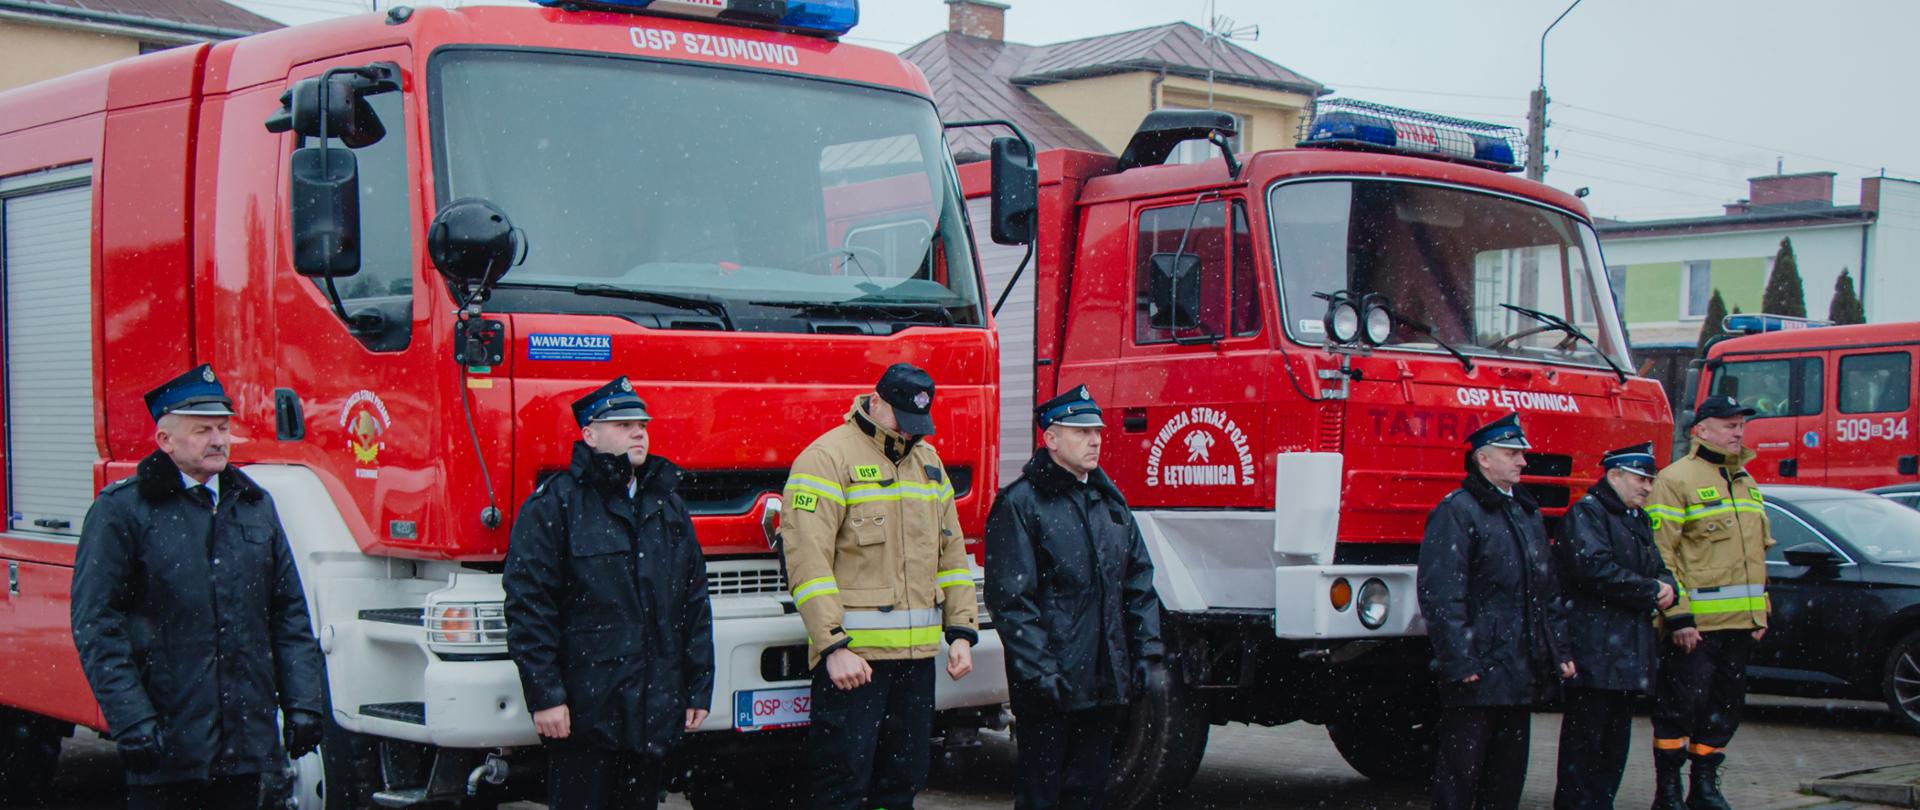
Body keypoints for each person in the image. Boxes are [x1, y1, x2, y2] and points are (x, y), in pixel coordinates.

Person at [70, 364, 326, 809]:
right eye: (202, 429)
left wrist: (304, 703)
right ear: (165, 441)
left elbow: (288, 612)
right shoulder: (124, 511)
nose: (218, 440)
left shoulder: (253, 504)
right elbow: (97, 624)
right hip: (166, 745)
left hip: (246, 747)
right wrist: (132, 720)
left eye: (223, 427)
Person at [503, 376, 715, 810]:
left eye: (641, 423)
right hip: (587, 712)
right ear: (590, 435)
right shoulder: (555, 505)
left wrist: (698, 687)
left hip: (652, 710)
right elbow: (529, 607)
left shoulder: (666, 505)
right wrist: (545, 695)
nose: (638, 431)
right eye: (622, 424)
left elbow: (692, 603)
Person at [781, 363, 979, 810]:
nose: (910, 435)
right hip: (855, 663)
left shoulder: (928, 463)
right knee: (842, 782)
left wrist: (961, 631)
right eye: (902, 421)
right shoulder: (827, 458)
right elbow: (808, 563)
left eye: (918, 425)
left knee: (903, 780)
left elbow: (950, 555)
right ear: (875, 402)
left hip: (916, 661)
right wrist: (833, 647)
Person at [986, 385, 1164, 810]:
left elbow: (1138, 583)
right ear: (1050, 438)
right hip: (1051, 686)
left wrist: (1147, 654)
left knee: (1088, 792)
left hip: (1104, 683)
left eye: (1097, 431)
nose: (1095, 439)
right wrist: (1040, 671)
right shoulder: (1022, 503)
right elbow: (1012, 601)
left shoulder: (1108, 501)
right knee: (1041, 794)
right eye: (1081, 431)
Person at [1416, 412, 1574, 810]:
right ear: (1483, 459)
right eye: (1512, 453)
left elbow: (1546, 592)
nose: (1523, 461)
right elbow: (1441, 593)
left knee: (1506, 776)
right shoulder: (1459, 510)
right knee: (1460, 775)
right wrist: (1459, 659)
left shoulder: (1524, 511)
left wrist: (1560, 652)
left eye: (1521, 453)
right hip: (1478, 670)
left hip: (1518, 670)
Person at [1644, 395, 1771, 810]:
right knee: (1678, 709)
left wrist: (1760, 610)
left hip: (1739, 624)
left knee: (1723, 709)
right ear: (1701, 430)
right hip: (1695, 627)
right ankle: (1667, 791)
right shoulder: (1676, 479)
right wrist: (1678, 618)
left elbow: (1756, 554)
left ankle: (1704, 787)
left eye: (1741, 425)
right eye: (1729, 424)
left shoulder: (1746, 481)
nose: (1738, 432)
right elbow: (1662, 555)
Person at [1553, 442, 1678, 810]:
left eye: (1650, 480)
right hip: (1596, 648)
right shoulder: (1588, 514)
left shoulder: (1635, 518)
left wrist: (1669, 585)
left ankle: (1599, 802)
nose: (1647, 487)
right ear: (1615, 475)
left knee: (1612, 744)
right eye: (1641, 479)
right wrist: (1650, 590)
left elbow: (1656, 563)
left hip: (1625, 650)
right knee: (1586, 741)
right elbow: (1594, 570)